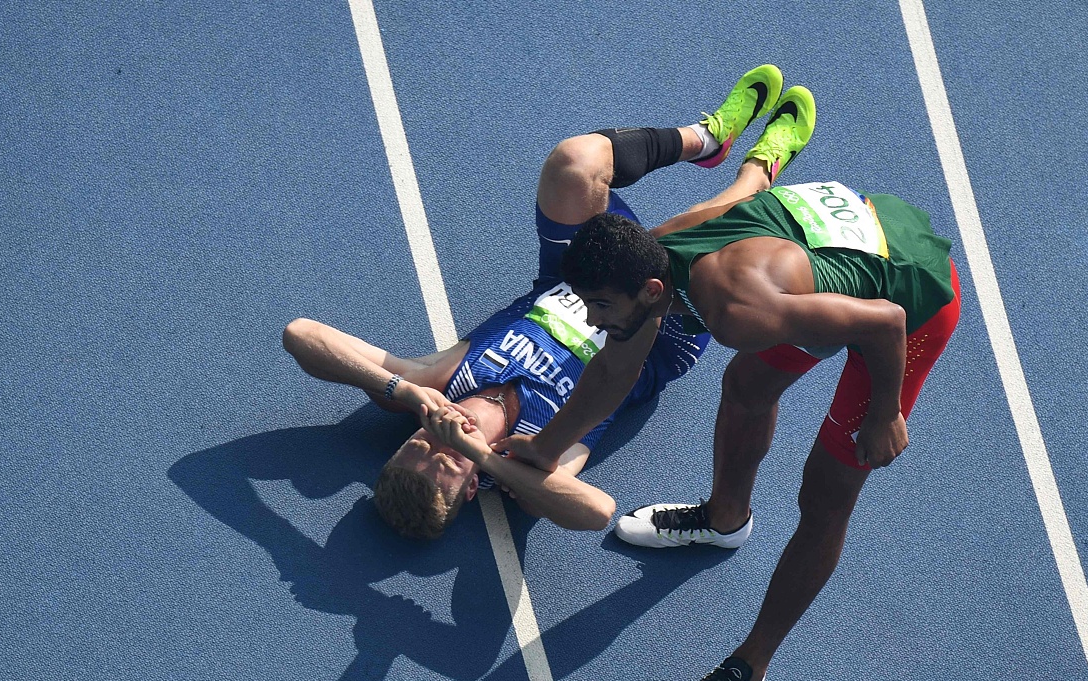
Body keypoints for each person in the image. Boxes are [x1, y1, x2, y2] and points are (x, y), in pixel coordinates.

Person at [497, 72, 961, 681]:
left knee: (825, 493)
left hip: (909, 304)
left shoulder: (737, 311)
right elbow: (609, 372)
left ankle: (751, 665)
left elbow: (882, 321)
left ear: (652, 290)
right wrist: (538, 449)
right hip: (833, 261)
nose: (595, 323)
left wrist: (885, 415)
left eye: (600, 307)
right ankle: (724, 518)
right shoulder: (662, 250)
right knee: (745, 387)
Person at [282, 67, 791, 540]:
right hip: (657, 326)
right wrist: (486, 457)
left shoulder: (438, 385)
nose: (443, 438)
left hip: (575, 280)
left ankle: (705, 139)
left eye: (420, 444)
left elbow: (301, 334)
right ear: (471, 485)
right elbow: (597, 511)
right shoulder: (531, 460)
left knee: (574, 163)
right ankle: (758, 172)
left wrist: (405, 392)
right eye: (449, 460)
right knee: (715, 231)